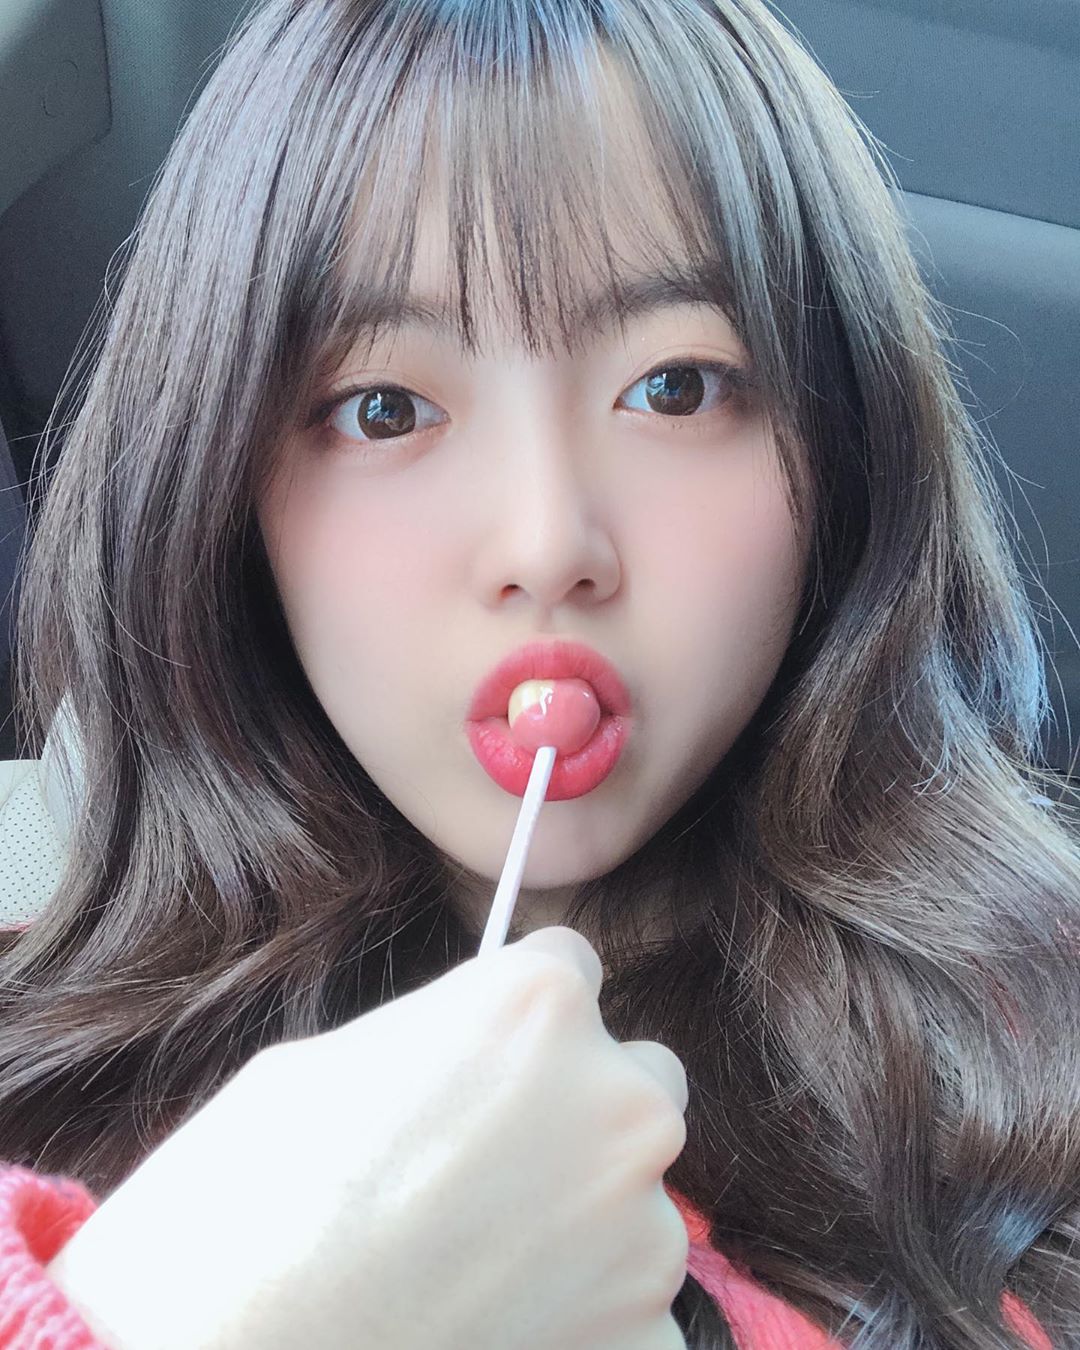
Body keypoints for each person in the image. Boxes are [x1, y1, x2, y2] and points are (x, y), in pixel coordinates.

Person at [0, 0, 1076, 1344]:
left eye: (676, 387)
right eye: (384, 408)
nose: (548, 541)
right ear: (218, 488)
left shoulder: (1039, 1060)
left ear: (847, 449)